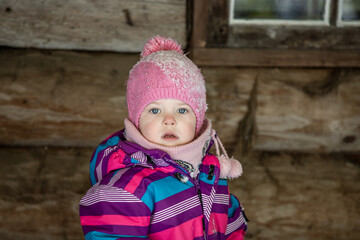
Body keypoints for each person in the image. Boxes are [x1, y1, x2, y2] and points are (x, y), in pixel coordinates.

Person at [79, 36, 248, 239]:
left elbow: (231, 229)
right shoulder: (128, 190)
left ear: (198, 119)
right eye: (155, 110)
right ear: (137, 120)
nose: (169, 120)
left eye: (182, 111)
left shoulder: (211, 176)